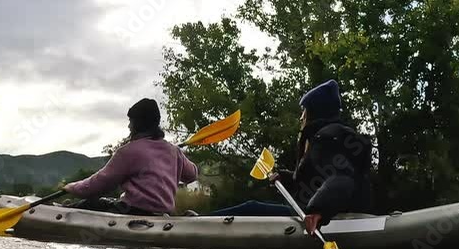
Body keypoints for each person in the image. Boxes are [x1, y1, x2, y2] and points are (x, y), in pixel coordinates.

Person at [208, 79, 373, 234]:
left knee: (250, 207)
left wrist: (318, 211)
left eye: (304, 112)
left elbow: (342, 177)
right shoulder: (339, 136)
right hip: (337, 209)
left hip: (317, 214)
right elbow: (319, 179)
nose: (301, 117)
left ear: (315, 112)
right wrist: (284, 176)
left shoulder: (325, 138)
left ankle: (197, 220)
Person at [61, 98, 198, 216]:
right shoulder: (174, 151)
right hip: (163, 214)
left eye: (131, 121)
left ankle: (64, 210)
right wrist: (178, 156)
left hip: (132, 211)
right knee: (109, 202)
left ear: (138, 124)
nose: (129, 125)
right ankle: (67, 207)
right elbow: (192, 175)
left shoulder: (128, 151)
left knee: (92, 203)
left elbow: (99, 184)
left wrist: (72, 187)